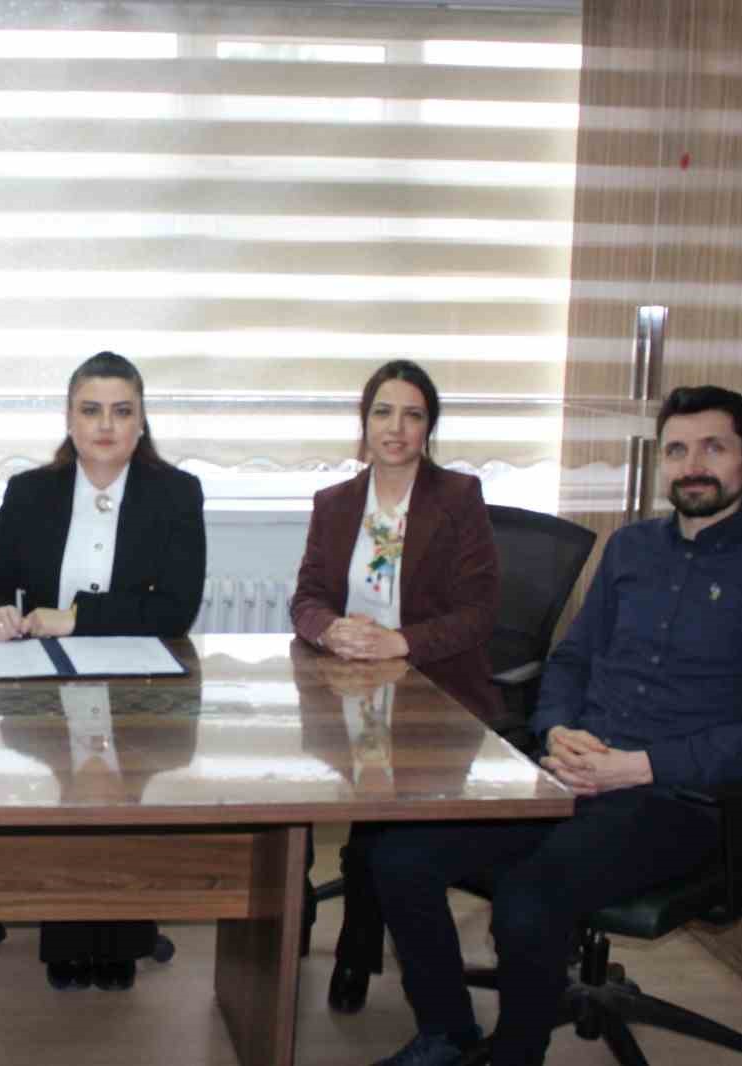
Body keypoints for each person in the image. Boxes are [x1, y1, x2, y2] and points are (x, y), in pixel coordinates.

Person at [367, 385, 742, 1066]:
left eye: (714, 448)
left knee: (526, 900)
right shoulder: (630, 549)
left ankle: (515, 1056)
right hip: (566, 774)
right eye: (678, 450)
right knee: (398, 856)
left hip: (675, 800)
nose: (693, 465)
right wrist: (556, 729)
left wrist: (638, 765)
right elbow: (572, 659)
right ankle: (448, 1031)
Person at [0, 350, 206, 989]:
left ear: (141, 422)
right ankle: (68, 943)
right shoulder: (30, 493)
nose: (105, 425)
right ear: (69, 418)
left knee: (121, 790)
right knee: (70, 790)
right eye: (91, 410)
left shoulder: (176, 494)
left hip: (142, 685)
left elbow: (176, 610)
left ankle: (121, 941)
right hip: (48, 686)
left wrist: (75, 618)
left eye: (122, 412)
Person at [290, 359, 501, 1016]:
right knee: (304, 808)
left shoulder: (458, 498)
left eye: (413, 415)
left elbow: (479, 612)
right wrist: (331, 630)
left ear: (428, 427)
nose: (396, 427)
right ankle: (309, 928)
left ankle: (356, 949)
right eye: (383, 412)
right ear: (365, 422)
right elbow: (306, 598)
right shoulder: (335, 504)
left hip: (435, 694)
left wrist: (400, 641)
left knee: (376, 838)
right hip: (345, 691)